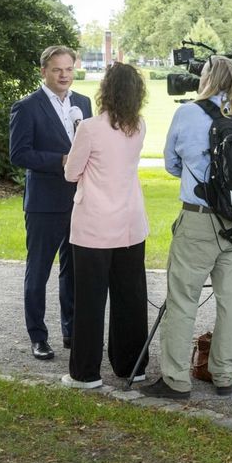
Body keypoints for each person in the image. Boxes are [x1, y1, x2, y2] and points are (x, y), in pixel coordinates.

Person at [142, 56, 232, 399]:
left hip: (199, 218)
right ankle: (224, 373)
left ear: (206, 79)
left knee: (183, 300)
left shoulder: (188, 113)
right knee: (230, 300)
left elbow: (171, 164)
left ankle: (175, 380)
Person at [61, 63, 150, 388]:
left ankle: (85, 373)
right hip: (129, 223)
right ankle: (132, 365)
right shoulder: (138, 126)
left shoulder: (89, 127)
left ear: (105, 90)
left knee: (90, 300)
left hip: (95, 226)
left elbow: (71, 172)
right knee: (131, 298)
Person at [9, 45, 92, 360]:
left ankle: (72, 331)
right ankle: (38, 337)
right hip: (44, 203)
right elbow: (19, 154)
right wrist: (62, 160)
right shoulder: (27, 107)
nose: (64, 75)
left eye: (69, 69)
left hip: (80, 200)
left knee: (74, 270)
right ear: (43, 71)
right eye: (57, 69)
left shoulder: (83, 103)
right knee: (39, 270)